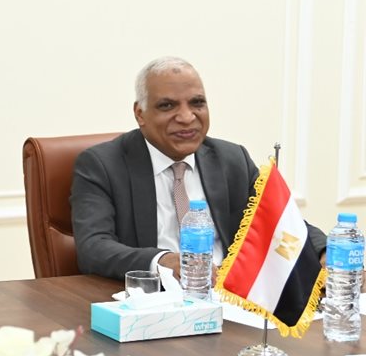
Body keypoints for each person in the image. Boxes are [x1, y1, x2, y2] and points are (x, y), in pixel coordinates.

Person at [71, 57, 325, 282]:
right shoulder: (102, 165)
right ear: (140, 114)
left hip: (227, 298)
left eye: (197, 103)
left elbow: (281, 222)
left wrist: (325, 253)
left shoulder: (232, 159)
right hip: (151, 299)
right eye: (167, 106)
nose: (186, 117)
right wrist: (162, 261)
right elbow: (94, 248)